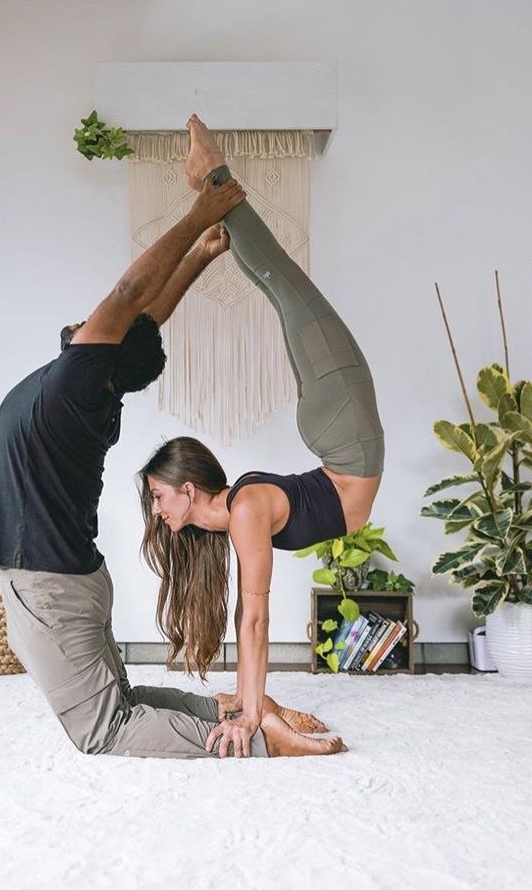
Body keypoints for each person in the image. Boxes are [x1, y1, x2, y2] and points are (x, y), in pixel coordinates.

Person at [0, 173, 344, 760]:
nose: (94, 317)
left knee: (102, 729)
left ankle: (248, 737)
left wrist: (200, 217)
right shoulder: (96, 391)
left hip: (45, 582)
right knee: (119, 698)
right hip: (76, 577)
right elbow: (146, 317)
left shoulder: (75, 385)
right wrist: (197, 259)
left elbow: (130, 296)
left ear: (106, 354)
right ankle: (231, 708)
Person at [138, 115, 385, 758]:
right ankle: (212, 176)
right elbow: (250, 620)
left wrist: (249, 717)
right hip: (339, 433)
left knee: (279, 281)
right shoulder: (239, 509)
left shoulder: (245, 509)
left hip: (346, 434)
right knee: (279, 286)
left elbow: (256, 618)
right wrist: (250, 705)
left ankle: (214, 175)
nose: (158, 513)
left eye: (159, 499)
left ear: (187, 490)